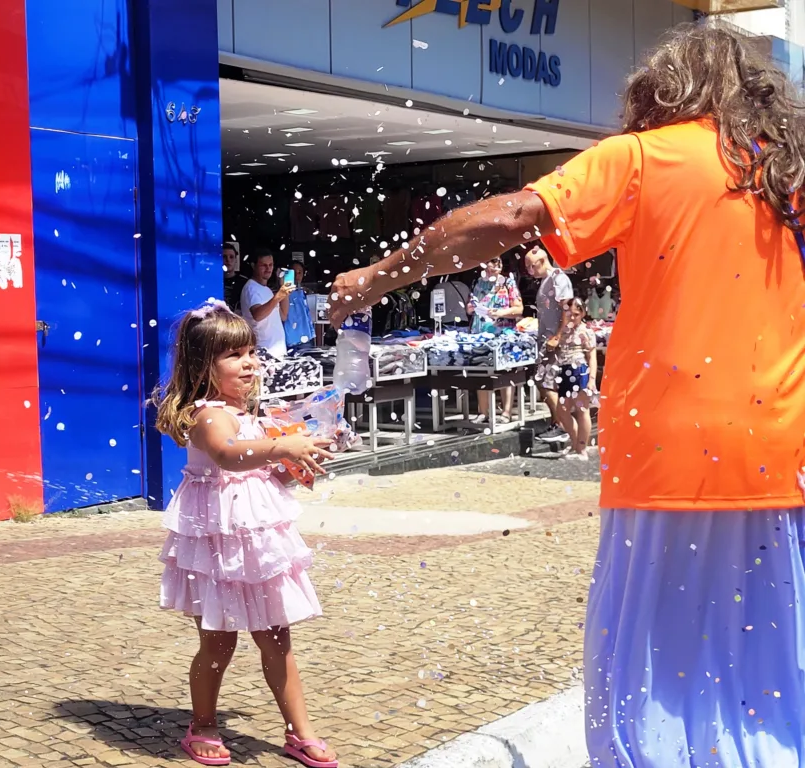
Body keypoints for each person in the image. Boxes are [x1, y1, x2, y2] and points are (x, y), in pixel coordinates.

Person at [327, 24, 805, 767]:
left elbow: (507, 219)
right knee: (773, 668)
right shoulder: (789, 177)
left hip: (668, 458)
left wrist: (372, 279)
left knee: (651, 670)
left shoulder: (645, 158)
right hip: (785, 455)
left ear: (665, 90)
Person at [153, 301, 338, 767]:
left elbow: (261, 473)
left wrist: (293, 467)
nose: (250, 363)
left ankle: (301, 731)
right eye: (234, 355)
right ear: (204, 365)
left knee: (277, 640)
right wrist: (283, 445)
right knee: (218, 642)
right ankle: (204, 724)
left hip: (258, 547)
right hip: (217, 546)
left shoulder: (255, 416)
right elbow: (228, 455)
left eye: (252, 352)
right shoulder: (208, 414)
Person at [524, 246, 574, 444]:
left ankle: (562, 424)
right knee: (545, 381)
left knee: (544, 381)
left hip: (555, 340)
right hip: (546, 339)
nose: (529, 270)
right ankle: (557, 422)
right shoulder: (546, 281)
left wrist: (558, 336)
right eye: (526, 266)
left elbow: (567, 309)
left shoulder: (558, 278)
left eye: (531, 265)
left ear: (543, 261)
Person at [465, 256, 522, 422]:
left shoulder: (508, 283)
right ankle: (483, 411)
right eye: (492, 261)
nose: (496, 265)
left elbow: (519, 308)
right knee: (481, 371)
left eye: (499, 262)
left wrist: (500, 313)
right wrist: (472, 307)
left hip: (502, 332)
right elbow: (469, 308)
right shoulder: (478, 283)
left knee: (505, 370)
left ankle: (506, 412)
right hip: (480, 333)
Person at [553, 298, 597, 460]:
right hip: (564, 369)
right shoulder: (564, 329)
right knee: (562, 410)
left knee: (582, 409)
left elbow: (592, 356)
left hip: (579, 370)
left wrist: (591, 378)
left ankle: (581, 448)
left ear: (582, 314)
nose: (572, 318)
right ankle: (575, 441)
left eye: (576, 314)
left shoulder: (585, 331)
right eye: (569, 313)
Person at [241, 248, 292, 359]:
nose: (268, 269)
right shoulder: (251, 288)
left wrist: (283, 289)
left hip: (277, 352)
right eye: (263, 265)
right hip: (263, 353)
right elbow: (257, 315)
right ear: (253, 266)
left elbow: (283, 315)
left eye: (270, 265)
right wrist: (278, 296)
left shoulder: (267, 289)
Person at [283, 260, 314, 352]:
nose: (297, 276)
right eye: (293, 272)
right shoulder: (282, 292)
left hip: (306, 337)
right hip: (289, 338)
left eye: (300, 272)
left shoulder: (306, 292)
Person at [222, 242, 247, 312]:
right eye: (224, 257)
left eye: (231, 257)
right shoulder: (213, 281)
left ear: (236, 260)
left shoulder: (244, 282)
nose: (228, 260)